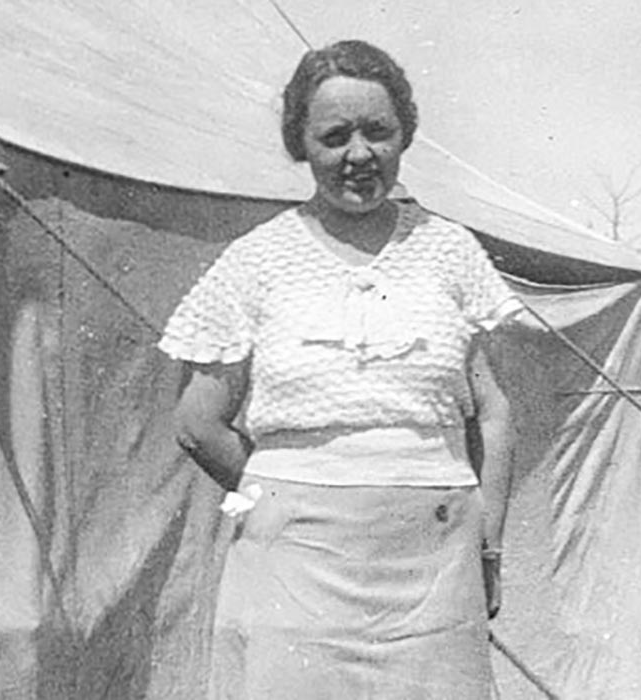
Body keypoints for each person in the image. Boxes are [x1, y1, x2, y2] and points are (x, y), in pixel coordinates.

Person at [158, 39, 521, 699]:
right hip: (295, 564)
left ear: (405, 135)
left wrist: (487, 537)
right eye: (334, 136)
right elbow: (197, 422)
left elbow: (491, 411)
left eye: (378, 132)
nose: (359, 154)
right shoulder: (256, 261)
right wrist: (293, 493)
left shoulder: (449, 250)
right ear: (302, 143)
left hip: (435, 563)